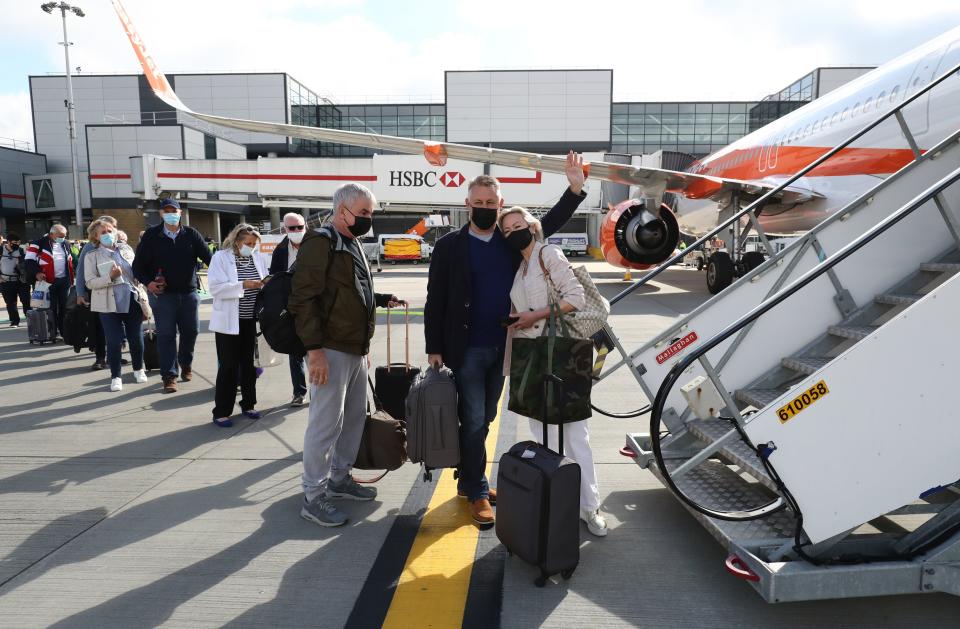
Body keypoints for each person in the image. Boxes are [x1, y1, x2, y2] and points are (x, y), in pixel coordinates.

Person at [424, 152, 587, 526]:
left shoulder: (508, 239)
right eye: (477, 203)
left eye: (490, 204)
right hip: (466, 349)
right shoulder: (450, 246)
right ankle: (478, 489)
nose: (483, 208)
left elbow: (547, 223)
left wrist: (575, 189)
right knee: (476, 417)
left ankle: (469, 482)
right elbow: (436, 300)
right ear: (467, 205)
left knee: (487, 416)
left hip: (506, 346)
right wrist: (434, 347)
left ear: (499, 207)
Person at [289, 182, 404, 528]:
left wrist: (380, 299)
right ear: (343, 211)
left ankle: (339, 479)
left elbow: (350, 292)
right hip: (330, 349)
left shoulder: (349, 243)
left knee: (352, 418)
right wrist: (315, 352)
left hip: (354, 349)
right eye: (364, 213)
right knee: (326, 423)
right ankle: (313, 495)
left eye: (371, 212)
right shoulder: (321, 242)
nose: (369, 219)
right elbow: (303, 300)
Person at [498, 206, 607, 537]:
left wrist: (536, 315)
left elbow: (575, 298)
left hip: (562, 353)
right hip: (531, 356)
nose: (513, 232)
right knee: (542, 434)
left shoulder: (548, 254)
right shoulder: (519, 269)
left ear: (532, 226)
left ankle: (590, 507)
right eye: (507, 230)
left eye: (518, 225)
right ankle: (558, 499)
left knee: (575, 435)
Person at [133, 198, 212, 393]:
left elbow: (211, 259)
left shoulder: (191, 234)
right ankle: (169, 375)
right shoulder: (152, 236)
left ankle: (186, 363)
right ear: (161, 214)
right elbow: (138, 267)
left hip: (189, 293)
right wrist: (149, 283)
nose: (170, 214)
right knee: (166, 335)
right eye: (166, 211)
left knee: (191, 331)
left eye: (173, 210)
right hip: (163, 296)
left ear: (180, 213)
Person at [207, 224, 267, 427]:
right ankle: (221, 411)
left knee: (249, 365)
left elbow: (263, 280)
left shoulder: (256, 257)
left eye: (253, 244)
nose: (251, 247)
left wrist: (264, 284)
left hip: (250, 319)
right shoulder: (221, 258)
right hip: (229, 322)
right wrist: (243, 285)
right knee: (228, 367)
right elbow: (215, 288)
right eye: (247, 243)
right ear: (237, 241)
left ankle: (249, 404)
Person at [84, 220, 152, 392]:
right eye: (103, 232)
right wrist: (110, 277)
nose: (107, 234)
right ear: (96, 237)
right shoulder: (91, 256)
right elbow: (90, 282)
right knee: (113, 341)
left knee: (136, 339)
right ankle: (116, 376)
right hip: (107, 304)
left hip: (131, 300)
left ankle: (138, 369)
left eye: (110, 230)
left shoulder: (126, 249)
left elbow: (137, 271)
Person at [268, 212, 308, 407]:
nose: (297, 231)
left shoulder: (315, 245)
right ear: (285, 229)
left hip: (314, 306)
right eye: (292, 228)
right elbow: (275, 279)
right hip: (291, 308)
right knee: (295, 353)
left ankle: (321, 392)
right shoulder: (280, 250)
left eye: (300, 227)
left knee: (317, 352)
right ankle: (299, 392)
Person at [77, 215, 118, 370]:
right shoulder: (90, 248)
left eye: (112, 228)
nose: (110, 233)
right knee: (99, 327)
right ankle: (100, 357)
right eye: (105, 230)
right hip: (98, 293)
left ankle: (115, 356)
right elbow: (81, 271)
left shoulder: (120, 245)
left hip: (117, 293)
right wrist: (81, 293)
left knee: (115, 328)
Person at [25, 224, 75, 340]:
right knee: (50, 308)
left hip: (64, 280)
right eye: (60, 236)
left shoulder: (66, 244)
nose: (62, 238)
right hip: (47, 281)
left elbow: (71, 259)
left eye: (64, 236)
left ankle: (64, 331)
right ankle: (52, 331)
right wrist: (37, 272)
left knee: (64, 307)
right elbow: (29, 260)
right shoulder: (38, 243)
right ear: (51, 234)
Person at [0, 233, 31, 327]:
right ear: (8, 242)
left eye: (18, 242)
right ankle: (14, 321)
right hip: (6, 281)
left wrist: (20, 262)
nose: (17, 244)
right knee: (10, 302)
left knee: (26, 300)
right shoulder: (1, 250)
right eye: (15, 242)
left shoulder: (21, 250)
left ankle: (30, 319)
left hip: (21, 280)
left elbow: (26, 265)